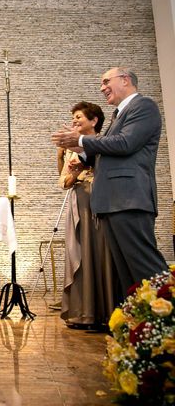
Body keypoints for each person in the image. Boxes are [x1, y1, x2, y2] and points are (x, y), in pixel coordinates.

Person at [52, 67, 168, 304]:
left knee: (146, 268)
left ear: (125, 80)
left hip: (129, 199)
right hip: (113, 202)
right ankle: (141, 326)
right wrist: (83, 155)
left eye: (106, 81)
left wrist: (82, 140)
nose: (102, 87)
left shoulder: (143, 107)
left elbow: (126, 143)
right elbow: (111, 151)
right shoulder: (118, 115)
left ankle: (168, 321)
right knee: (127, 275)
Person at [57, 101, 118, 330]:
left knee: (104, 254)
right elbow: (65, 182)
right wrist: (64, 159)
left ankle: (108, 313)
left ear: (94, 121)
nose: (75, 121)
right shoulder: (73, 149)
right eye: (73, 117)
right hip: (82, 203)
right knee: (83, 255)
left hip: (105, 201)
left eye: (79, 117)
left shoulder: (106, 143)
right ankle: (84, 313)